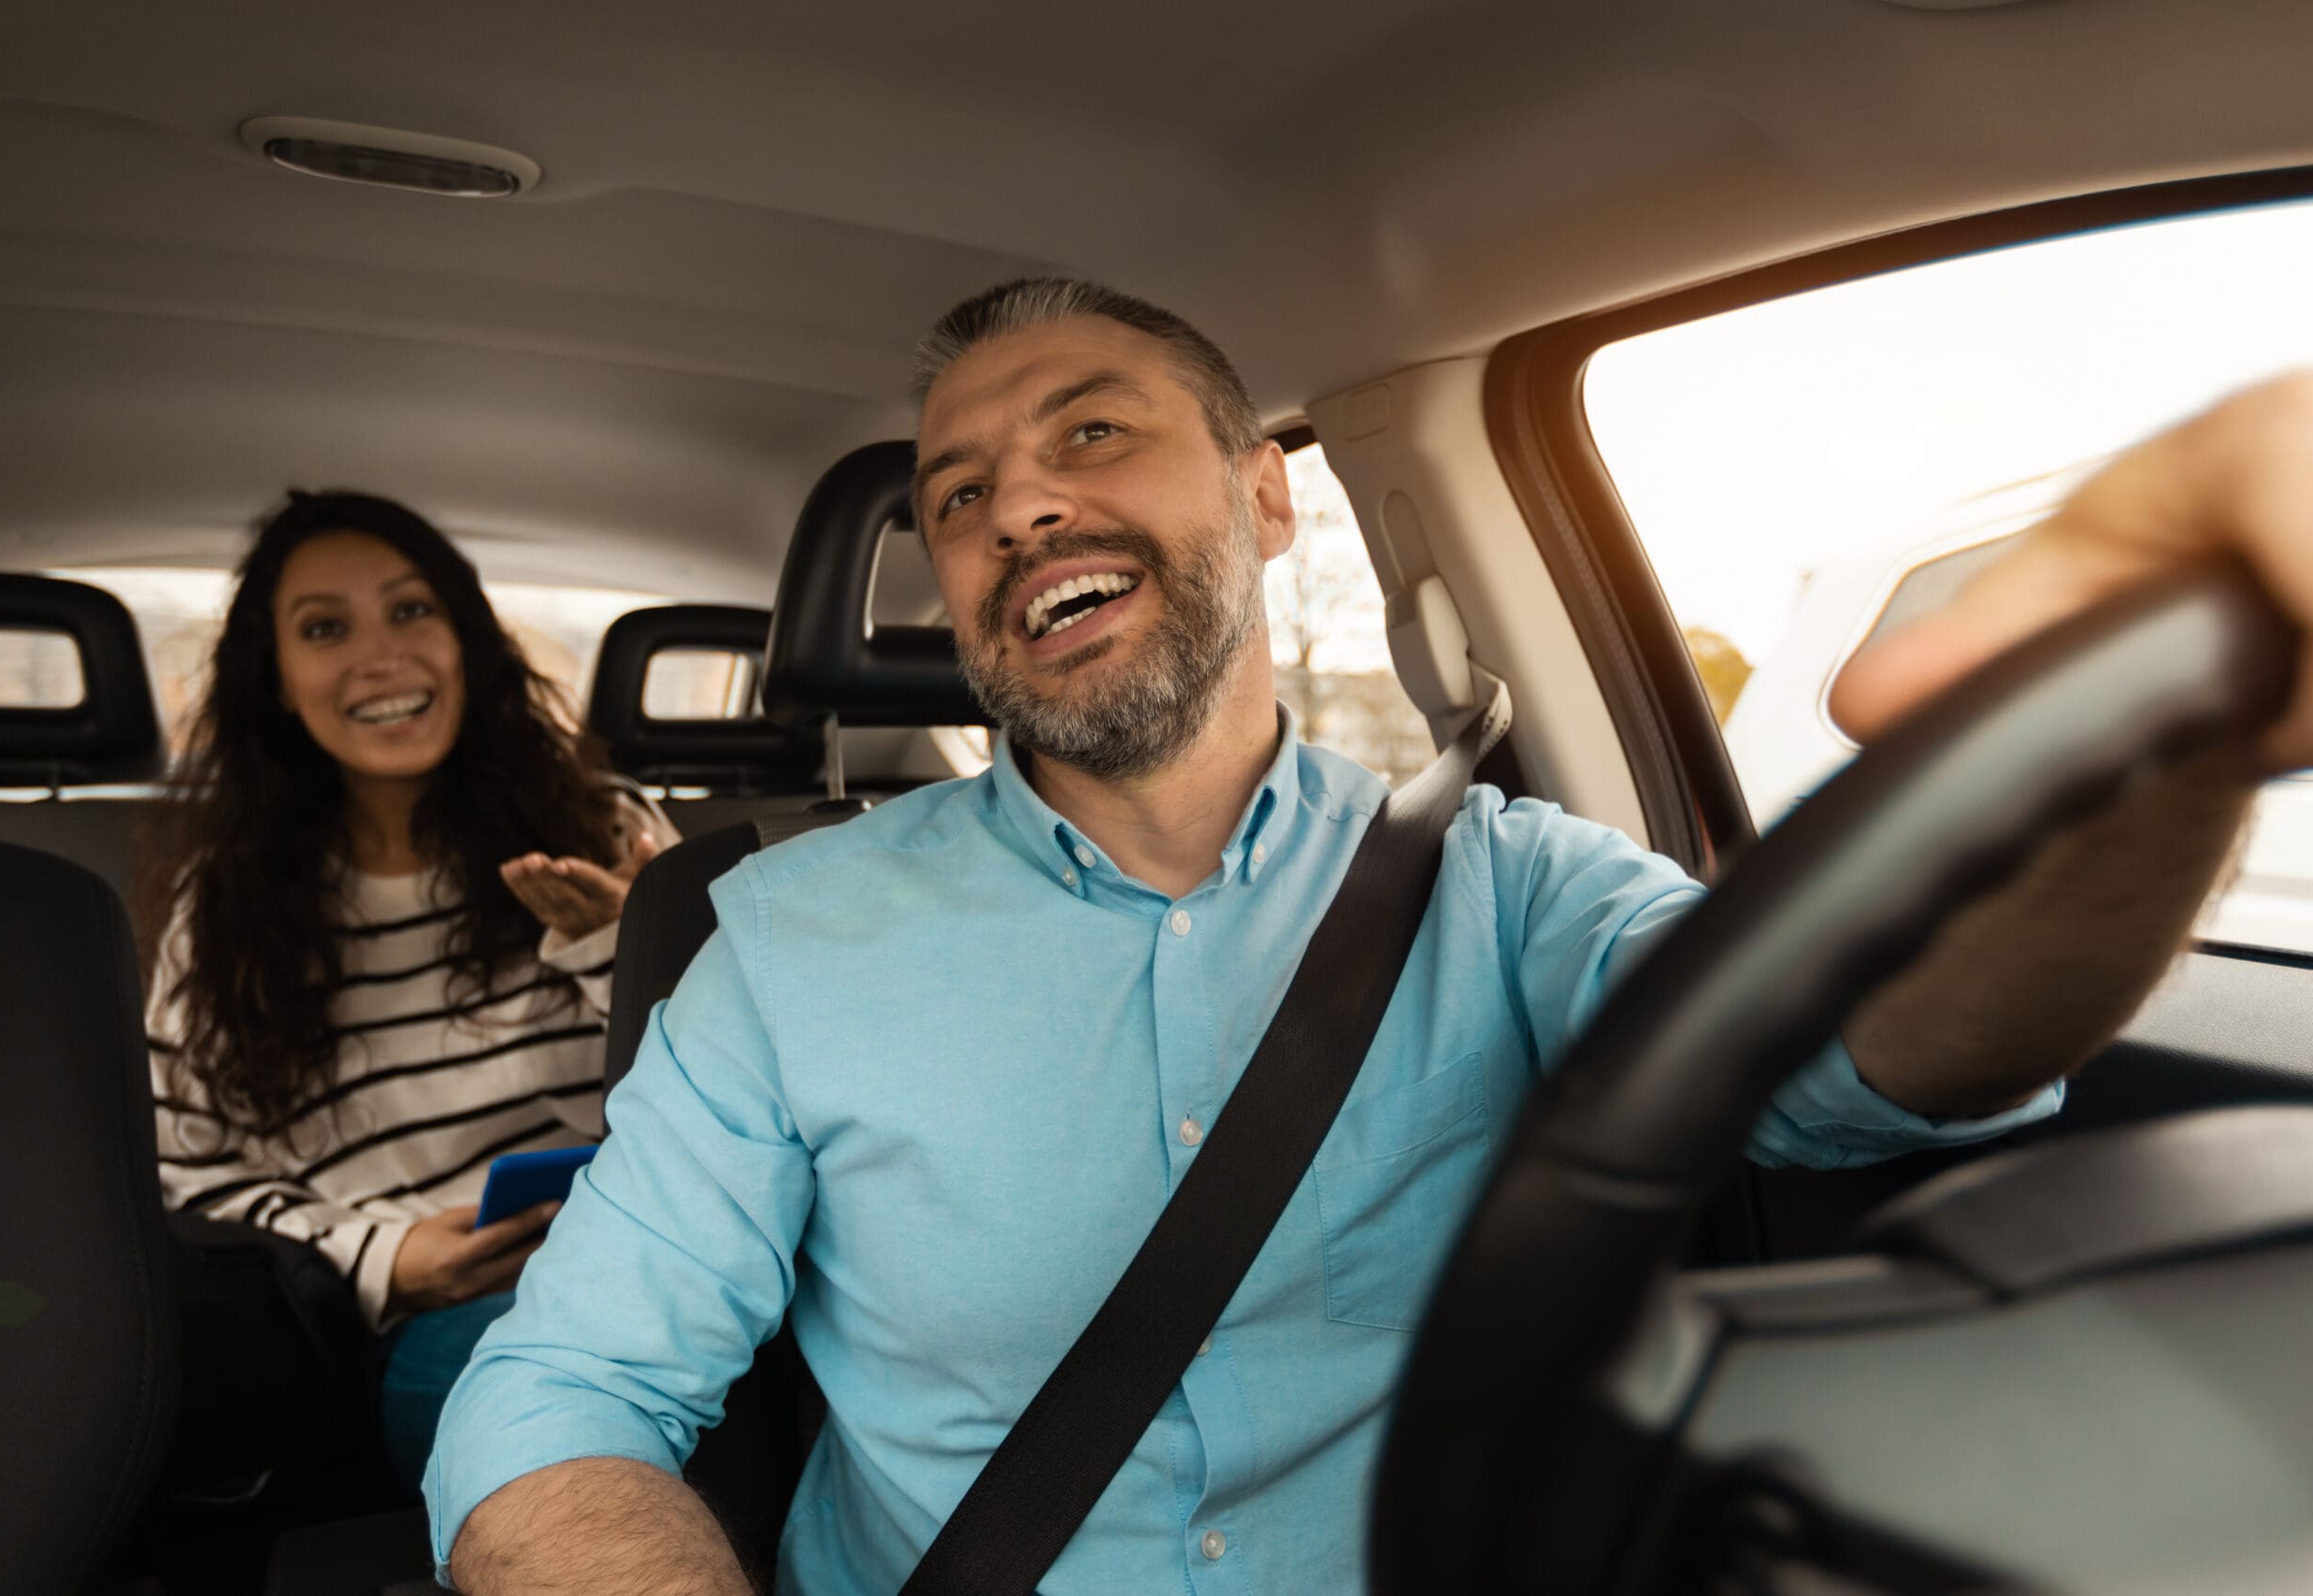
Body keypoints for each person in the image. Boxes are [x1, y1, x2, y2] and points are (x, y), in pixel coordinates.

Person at [430, 280, 2281, 1594]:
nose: (1021, 509)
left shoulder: (1513, 881)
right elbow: (561, 1386)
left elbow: (1875, 1061)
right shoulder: (779, 938)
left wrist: (2157, 741)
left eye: (1091, 432)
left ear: (1260, 490)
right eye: (957, 496)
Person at [136, 489, 679, 1490]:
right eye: (325, 629)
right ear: (278, 683)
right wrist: (385, 1259)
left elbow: (743, 1090)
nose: (380, 657)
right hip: (428, 1329)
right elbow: (185, 1179)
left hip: (667, 1267)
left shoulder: (603, 828)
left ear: (465, 640)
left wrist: (617, 946)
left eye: (411, 610)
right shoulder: (219, 916)